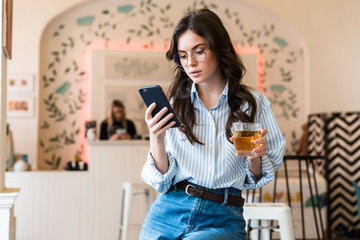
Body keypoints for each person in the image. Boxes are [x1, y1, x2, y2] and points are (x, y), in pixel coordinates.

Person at [140, 9, 285, 239]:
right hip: (169, 211)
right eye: (183, 56)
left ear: (218, 48)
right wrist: (156, 137)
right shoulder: (176, 104)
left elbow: (258, 176)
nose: (191, 63)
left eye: (199, 51)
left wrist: (254, 157)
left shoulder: (253, 104)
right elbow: (162, 179)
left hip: (222, 216)